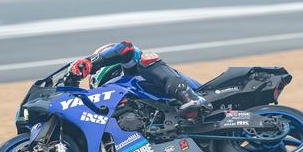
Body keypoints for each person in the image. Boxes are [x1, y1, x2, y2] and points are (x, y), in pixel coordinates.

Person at [70, 41, 211, 118]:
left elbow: (126, 47)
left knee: (146, 60)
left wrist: (91, 61)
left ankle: (190, 97)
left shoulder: (130, 69)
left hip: (201, 92)